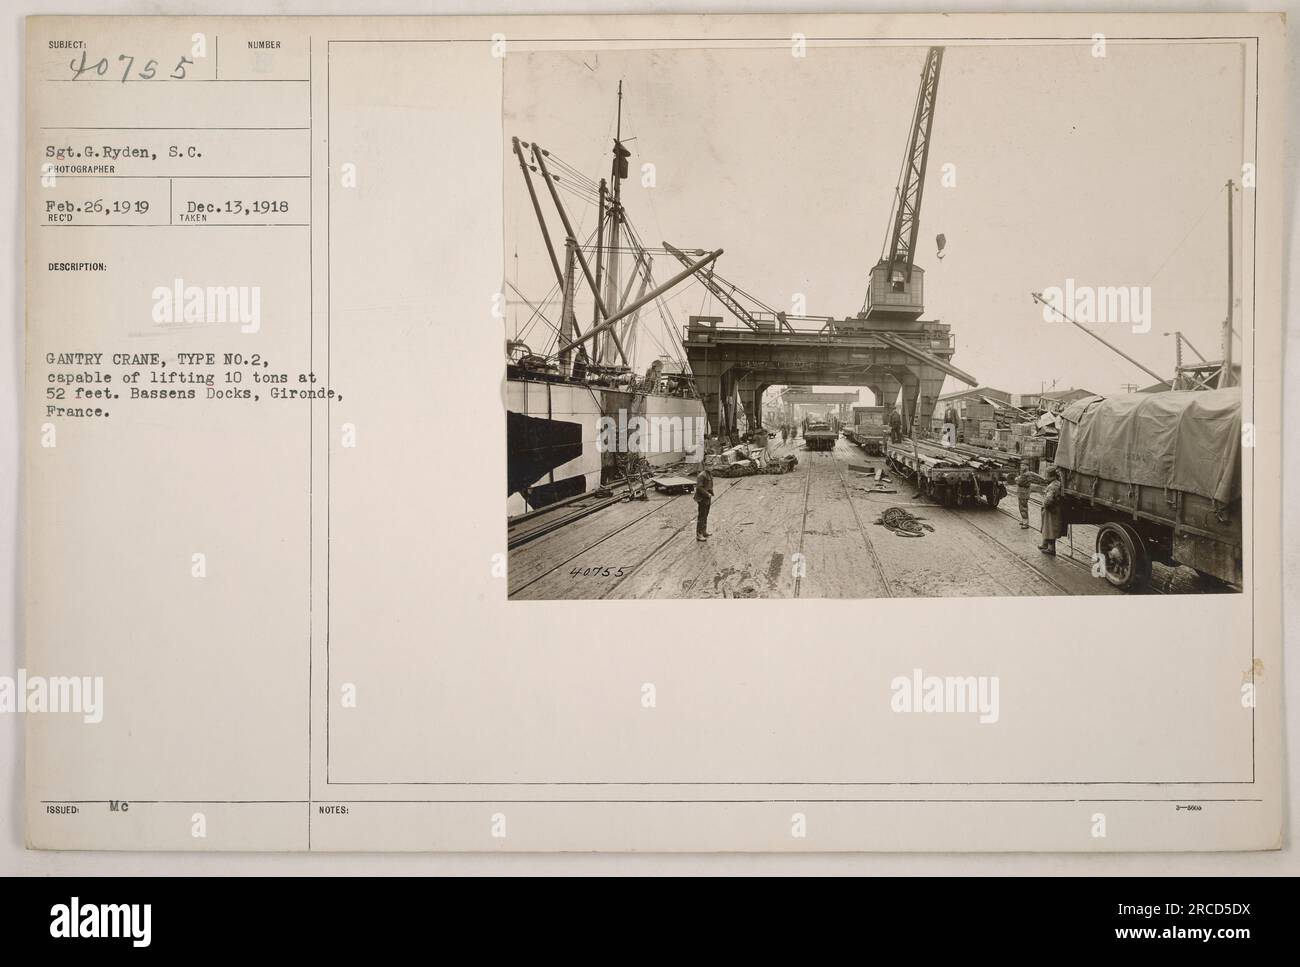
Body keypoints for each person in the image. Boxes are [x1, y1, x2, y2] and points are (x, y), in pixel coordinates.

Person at [1038, 466, 1066, 554]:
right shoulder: (1058, 483)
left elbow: (1049, 500)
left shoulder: (1052, 486)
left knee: (1050, 528)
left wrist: (1044, 505)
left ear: (1050, 476)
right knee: (1048, 528)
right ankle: (1045, 544)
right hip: (1056, 509)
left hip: (1051, 510)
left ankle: (1051, 549)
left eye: (1047, 475)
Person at [1013, 460, 1045, 529]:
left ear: (1027, 466)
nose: (1021, 467)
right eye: (1021, 465)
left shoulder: (1025, 474)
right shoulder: (1028, 473)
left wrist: (1016, 479)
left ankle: (1025, 523)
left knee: (1023, 508)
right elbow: (1037, 476)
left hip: (1023, 493)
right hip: (1024, 492)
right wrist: (1043, 479)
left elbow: (1019, 481)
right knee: (1022, 507)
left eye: (1023, 465)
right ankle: (1024, 520)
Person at [695, 464, 715, 542]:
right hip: (702, 498)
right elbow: (699, 487)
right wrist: (707, 494)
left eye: (711, 465)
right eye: (709, 466)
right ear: (705, 466)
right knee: (702, 516)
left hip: (707, 498)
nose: (711, 467)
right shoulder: (701, 475)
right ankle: (699, 534)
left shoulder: (709, 474)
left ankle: (704, 531)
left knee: (706, 514)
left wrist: (710, 493)